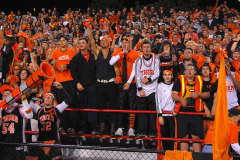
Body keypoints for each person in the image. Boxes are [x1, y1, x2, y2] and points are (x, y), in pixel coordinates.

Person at [86, 21, 118, 136]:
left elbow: (116, 68)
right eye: (102, 40)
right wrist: (88, 28)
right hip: (99, 83)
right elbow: (91, 40)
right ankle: (103, 126)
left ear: (109, 44)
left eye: (106, 41)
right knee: (101, 105)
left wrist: (118, 77)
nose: (103, 41)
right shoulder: (97, 52)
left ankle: (113, 127)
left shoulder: (112, 53)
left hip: (110, 83)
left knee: (113, 105)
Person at [172, 64, 210, 152]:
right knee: (183, 136)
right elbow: (174, 94)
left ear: (195, 72)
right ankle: (184, 157)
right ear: (185, 71)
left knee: (196, 136)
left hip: (196, 112)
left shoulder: (200, 80)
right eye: (187, 69)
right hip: (182, 112)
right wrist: (181, 100)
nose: (189, 71)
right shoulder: (179, 80)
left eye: (191, 69)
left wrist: (198, 94)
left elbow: (207, 94)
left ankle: (197, 157)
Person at [30, 82, 71, 160]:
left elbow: (68, 101)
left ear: (53, 100)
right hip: (42, 142)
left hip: (54, 142)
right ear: (43, 99)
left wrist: (61, 89)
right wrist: (29, 90)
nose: (47, 98)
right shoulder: (39, 109)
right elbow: (27, 102)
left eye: (50, 96)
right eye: (46, 96)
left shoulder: (57, 109)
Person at [109, 36, 140, 137]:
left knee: (132, 105)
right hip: (122, 82)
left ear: (130, 44)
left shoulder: (135, 53)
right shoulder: (118, 51)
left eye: (126, 43)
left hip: (132, 82)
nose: (124, 45)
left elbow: (135, 69)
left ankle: (131, 128)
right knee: (121, 104)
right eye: (123, 43)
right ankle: (120, 127)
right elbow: (111, 62)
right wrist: (120, 54)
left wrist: (129, 82)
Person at [70, 37, 98, 135]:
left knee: (92, 108)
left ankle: (94, 128)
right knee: (81, 108)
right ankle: (82, 128)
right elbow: (73, 72)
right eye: (79, 43)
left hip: (92, 85)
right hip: (80, 86)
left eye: (83, 43)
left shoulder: (93, 55)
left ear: (87, 44)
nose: (81, 45)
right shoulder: (76, 58)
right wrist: (77, 83)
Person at [50, 35, 76, 134]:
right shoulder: (55, 52)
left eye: (63, 40)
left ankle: (72, 126)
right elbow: (51, 61)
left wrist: (65, 66)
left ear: (67, 42)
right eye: (60, 41)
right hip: (59, 81)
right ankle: (63, 126)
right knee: (61, 104)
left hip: (70, 81)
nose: (61, 42)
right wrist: (54, 62)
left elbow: (74, 64)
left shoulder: (71, 51)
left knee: (71, 103)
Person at [0, 84, 33, 160]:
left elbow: (30, 115)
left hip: (18, 144)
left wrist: (24, 101)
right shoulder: (1, 110)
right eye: (5, 96)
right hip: (4, 145)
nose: (7, 98)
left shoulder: (20, 107)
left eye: (9, 95)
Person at [135, 38, 160, 138]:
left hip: (153, 89)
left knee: (153, 112)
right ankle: (142, 131)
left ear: (150, 48)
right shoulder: (138, 60)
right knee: (142, 113)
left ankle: (152, 132)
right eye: (144, 47)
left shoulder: (156, 59)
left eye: (148, 47)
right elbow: (137, 76)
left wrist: (149, 79)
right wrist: (140, 89)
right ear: (141, 48)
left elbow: (157, 73)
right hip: (142, 90)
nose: (146, 48)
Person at [156, 70, 176, 150]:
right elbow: (158, 101)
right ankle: (163, 155)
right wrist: (160, 115)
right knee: (163, 137)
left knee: (172, 136)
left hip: (172, 115)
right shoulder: (159, 86)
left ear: (172, 76)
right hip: (163, 115)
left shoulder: (174, 85)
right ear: (163, 76)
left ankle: (171, 155)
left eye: (169, 75)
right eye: (165, 75)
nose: (167, 76)